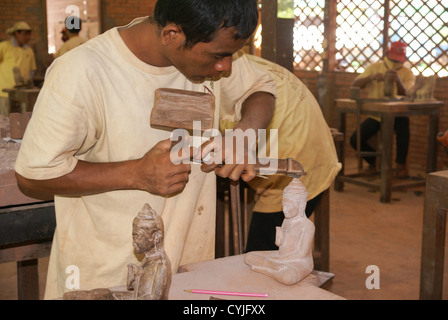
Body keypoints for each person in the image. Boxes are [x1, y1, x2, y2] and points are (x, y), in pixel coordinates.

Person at [14, 0, 275, 300]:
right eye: (219, 57)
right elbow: (32, 176)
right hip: (110, 276)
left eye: (231, 56)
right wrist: (137, 173)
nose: (226, 66)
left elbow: (260, 88)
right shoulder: (81, 72)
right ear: (172, 35)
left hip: (189, 269)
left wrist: (244, 134)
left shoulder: (211, 49)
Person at [220, 51, 341, 252]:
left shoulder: (224, 69)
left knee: (261, 255)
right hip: (302, 146)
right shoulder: (232, 59)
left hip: (298, 162)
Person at [349, 41, 416, 177]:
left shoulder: (407, 73)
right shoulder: (375, 67)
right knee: (355, 139)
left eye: (397, 60)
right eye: (392, 59)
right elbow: (354, 85)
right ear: (387, 54)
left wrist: (398, 80)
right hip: (376, 116)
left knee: (404, 124)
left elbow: (407, 94)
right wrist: (370, 78)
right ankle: (374, 162)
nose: (395, 62)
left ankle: (401, 165)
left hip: (396, 116)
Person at [0, 21, 36, 116]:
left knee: (23, 119)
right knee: (5, 121)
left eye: (29, 34)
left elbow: (32, 71)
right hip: (5, 93)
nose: (28, 37)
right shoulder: (4, 47)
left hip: (22, 93)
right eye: (25, 34)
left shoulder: (29, 51)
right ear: (16, 33)